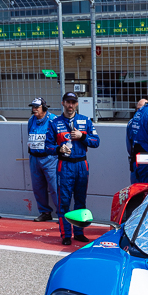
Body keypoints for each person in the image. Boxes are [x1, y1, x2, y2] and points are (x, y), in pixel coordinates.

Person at [51, 92, 99, 245]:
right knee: (64, 201)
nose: (70, 105)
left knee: (80, 200)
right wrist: (59, 149)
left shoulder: (85, 121)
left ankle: (78, 232)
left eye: (73, 102)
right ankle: (65, 235)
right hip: (64, 165)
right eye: (68, 102)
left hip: (81, 165)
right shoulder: (55, 122)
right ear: (62, 103)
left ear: (77, 104)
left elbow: (96, 142)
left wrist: (82, 136)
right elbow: (47, 146)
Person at [26, 97, 58, 222]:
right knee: (37, 187)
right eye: (33, 107)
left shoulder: (53, 120)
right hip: (34, 158)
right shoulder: (31, 120)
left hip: (50, 159)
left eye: (37, 107)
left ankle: (62, 214)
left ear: (44, 108)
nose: (34, 110)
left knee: (55, 187)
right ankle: (45, 212)